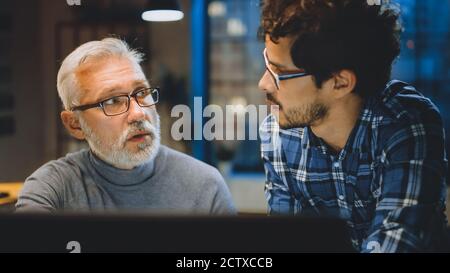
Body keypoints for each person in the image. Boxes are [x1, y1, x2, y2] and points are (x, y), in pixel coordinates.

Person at [258, 0, 448, 252]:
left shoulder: (406, 126)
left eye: (278, 73)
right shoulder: (277, 133)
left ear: (340, 82)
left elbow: (396, 245)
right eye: (266, 64)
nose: (263, 84)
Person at [15, 38, 236, 215]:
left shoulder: (205, 186)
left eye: (142, 93)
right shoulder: (52, 189)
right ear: (74, 124)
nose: (139, 113)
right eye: (112, 101)